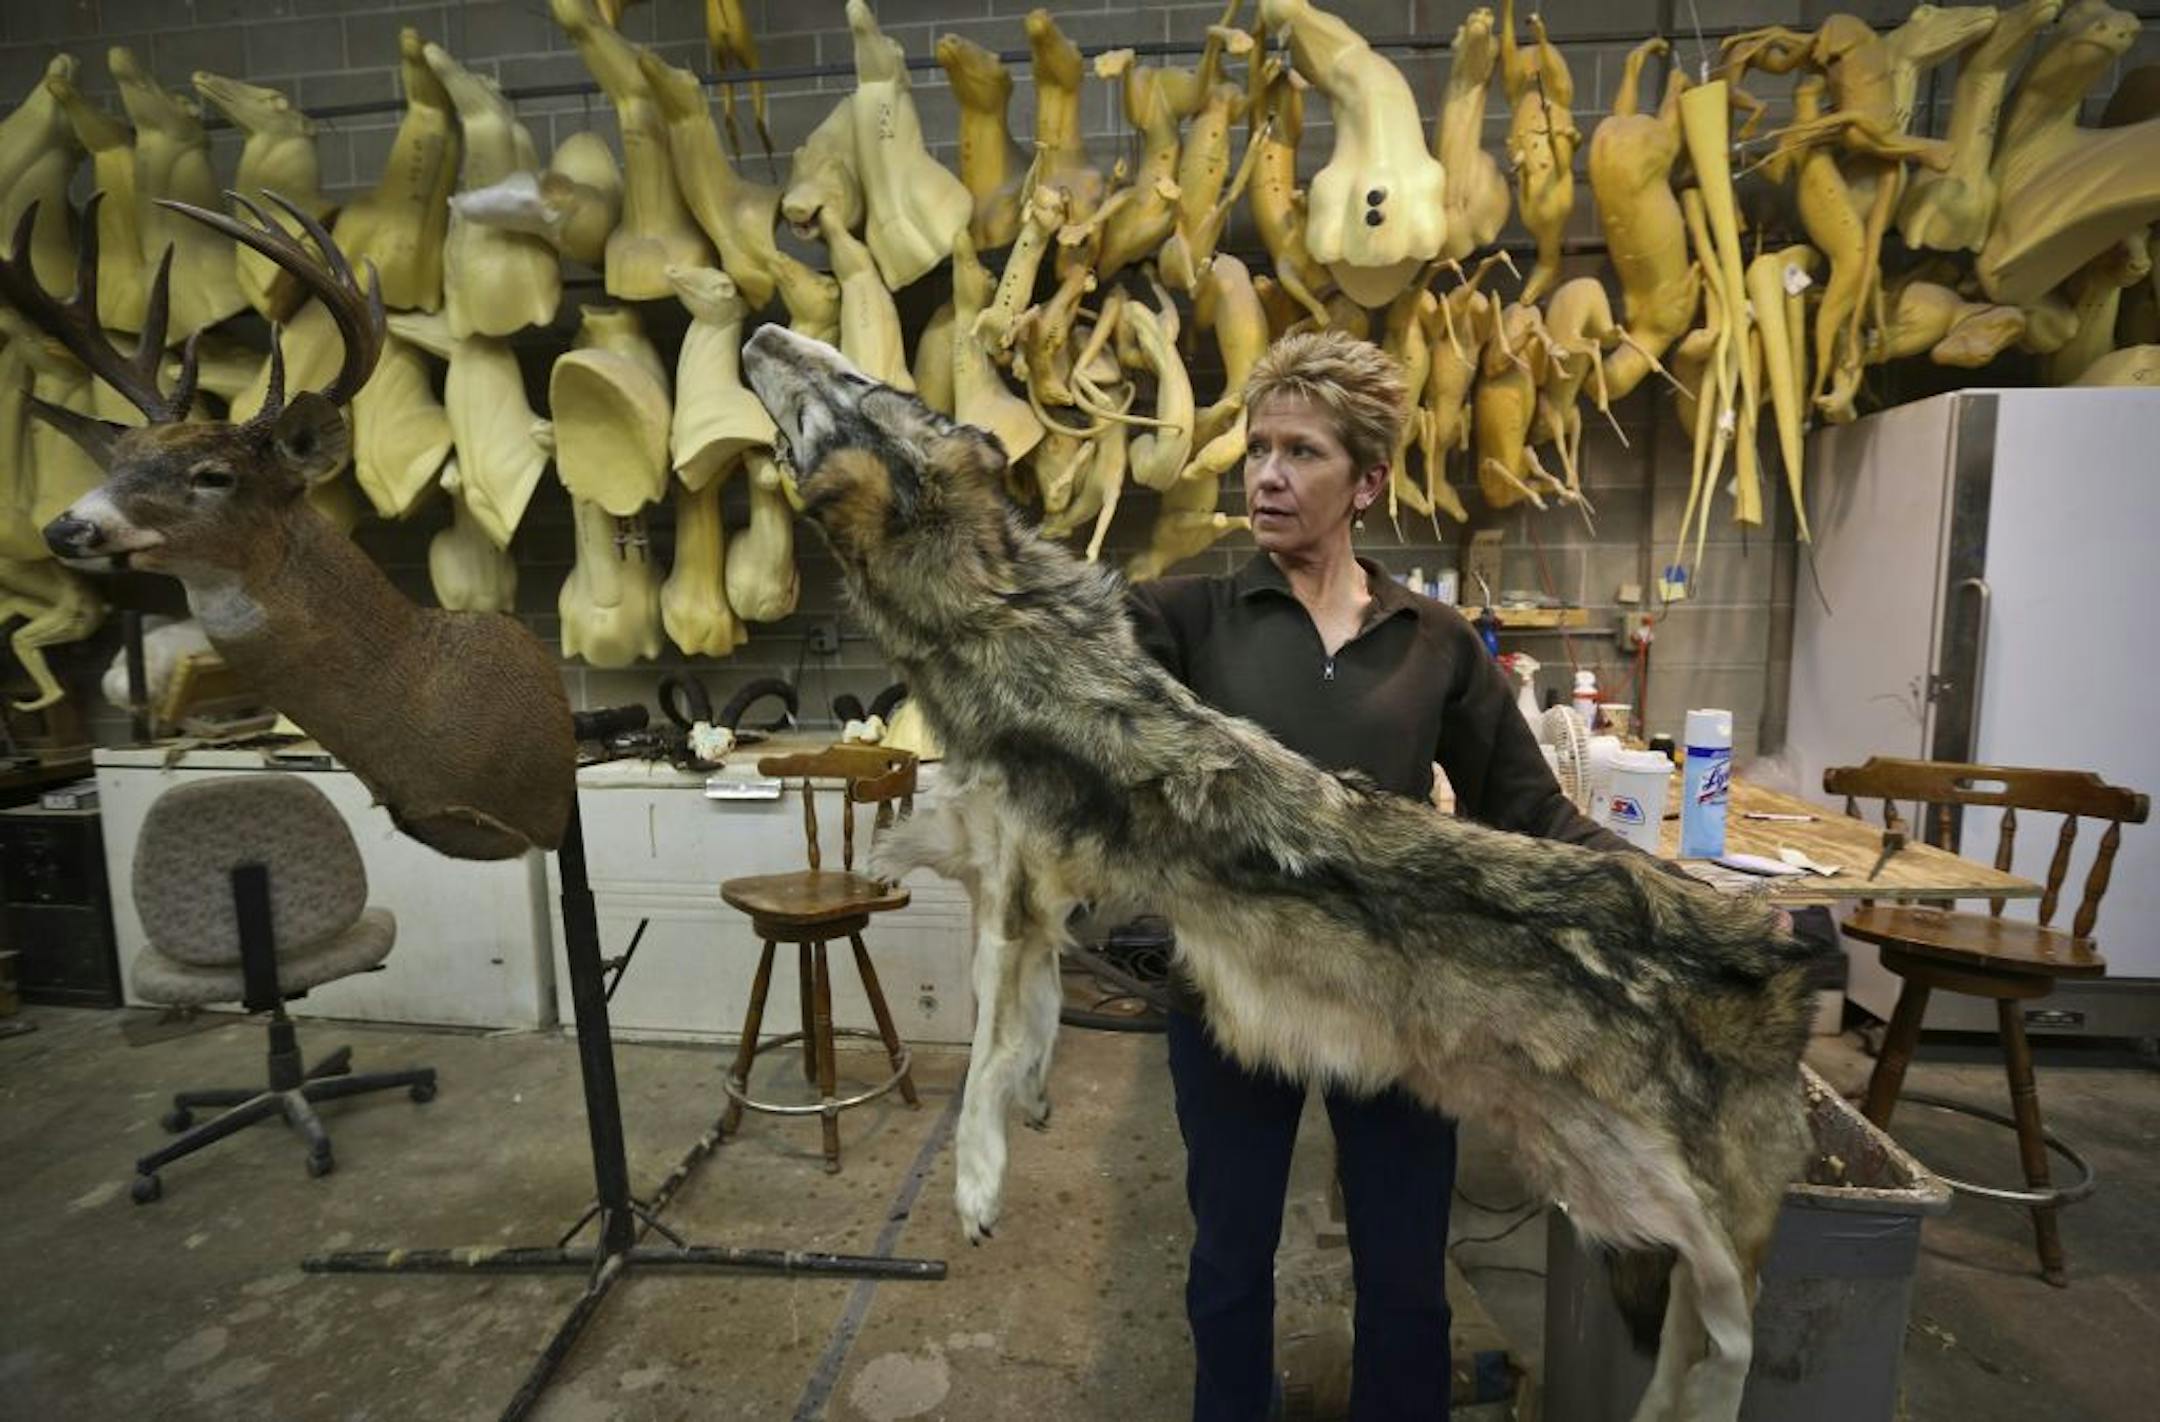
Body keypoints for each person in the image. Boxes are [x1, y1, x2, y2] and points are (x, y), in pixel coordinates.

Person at [1126, 329, 1644, 1421]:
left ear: (1366, 481)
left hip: (1396, 1000)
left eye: (1300, 452)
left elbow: (1529, 807)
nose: (1265, 473)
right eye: (1258, 448)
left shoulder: (1433, 640)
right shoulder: (1185, 617)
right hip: (1234, 995)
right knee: (1229, 1259)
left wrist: (1674, 899)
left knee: (1405, 1273)